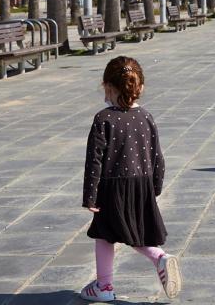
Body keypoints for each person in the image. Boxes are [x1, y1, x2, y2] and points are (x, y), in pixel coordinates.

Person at [80, 56, 180, 302]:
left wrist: (90, 196)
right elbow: (158, 156)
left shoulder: (103, 119)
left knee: (106, 233)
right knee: (132, 231)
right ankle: (155, 260)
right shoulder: (145, 117)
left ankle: (109, 284)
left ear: (107, 86)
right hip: (142, 184)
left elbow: (95, 160)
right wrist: (154, 187)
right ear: (140, 87)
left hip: (112, 186)